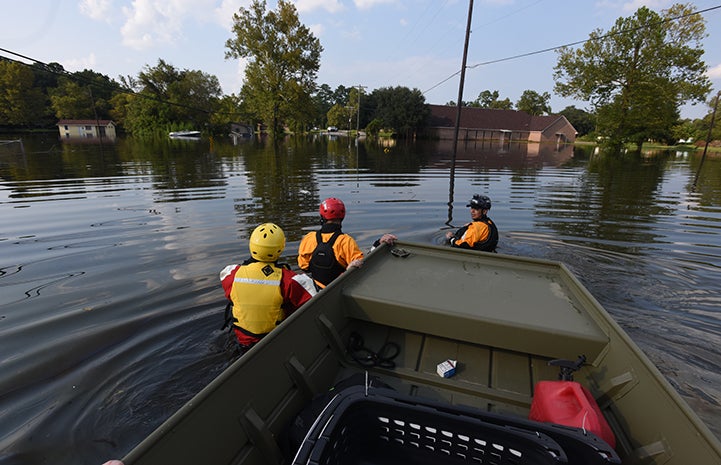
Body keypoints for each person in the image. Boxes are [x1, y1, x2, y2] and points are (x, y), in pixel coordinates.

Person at [220, 223, 317, 352]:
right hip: (273, 343)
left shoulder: (231, 274)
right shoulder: (290, 280)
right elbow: (315, 299)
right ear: (280, 248)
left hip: (241, 343)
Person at [298, 197, 395, 288]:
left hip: (315, 291)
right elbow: (362, 267)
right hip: (338, 289)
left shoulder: (309, 238)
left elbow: (304, 267)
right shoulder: (346, 241)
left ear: (322, 216)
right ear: (342, 217)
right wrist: (377, 244)